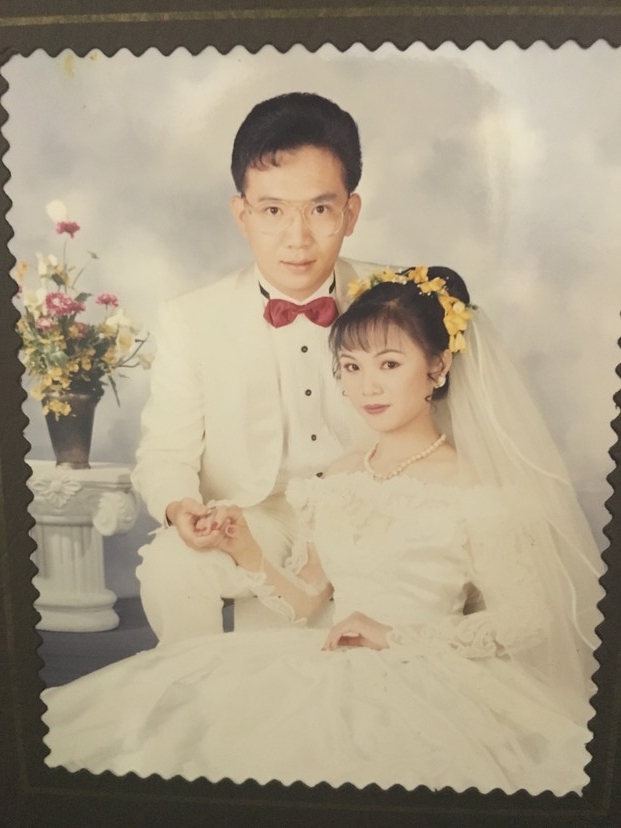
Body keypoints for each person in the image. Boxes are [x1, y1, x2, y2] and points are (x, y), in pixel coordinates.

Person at [42, 266, 602, 794]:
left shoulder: (475, 486)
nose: (367, 387)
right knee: (183, 737)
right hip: (328, 661)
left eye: (389, 364)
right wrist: (247, 550)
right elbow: (309, 598)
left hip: (431, 680)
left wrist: (395, 637)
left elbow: (527, 621)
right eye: (351, 368)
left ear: (437, 367)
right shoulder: (339, 476)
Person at [131, 91, 378, 642]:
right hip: (253, 516)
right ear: (241, 214)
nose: (297, 238)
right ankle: (197, 690)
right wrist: (180, 507)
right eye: (272, 211)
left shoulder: (397, 299)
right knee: (171, 565)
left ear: (351, 212)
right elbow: (165, 452)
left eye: (320, 209)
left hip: (368, 512)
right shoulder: (191, 318)